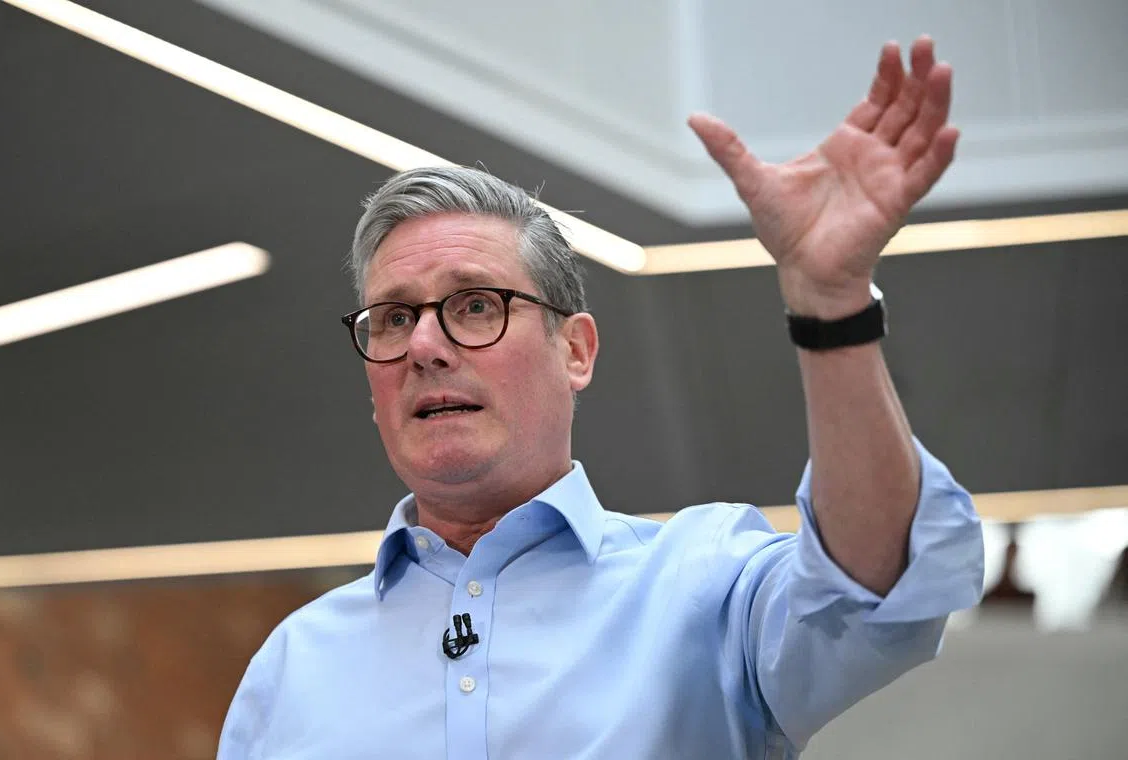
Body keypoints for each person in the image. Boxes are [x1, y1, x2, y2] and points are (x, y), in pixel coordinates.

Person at [217, 35, 984, 759]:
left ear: (575, 349)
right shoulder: (291, 667)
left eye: (475, 305)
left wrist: (831, 299)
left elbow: (876, 585)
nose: (424, 346)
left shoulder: (702, 588)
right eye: (393, 319)